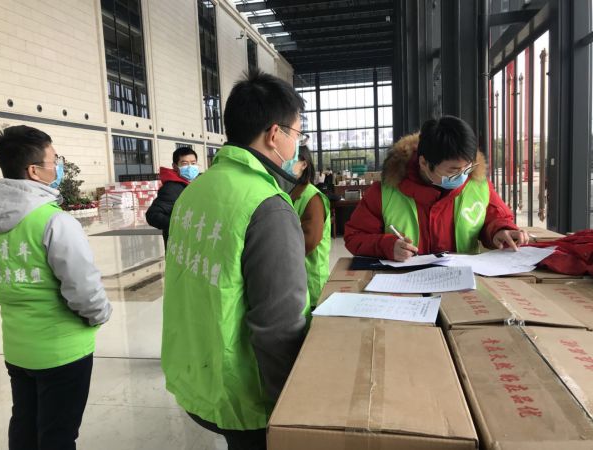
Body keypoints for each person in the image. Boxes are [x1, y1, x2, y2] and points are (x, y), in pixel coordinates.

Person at [161, 70, 309, 450]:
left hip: (198, 373)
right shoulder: (268, 206)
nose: (297, 145)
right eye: (297, 134)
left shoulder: (195, 191)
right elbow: (278, 323)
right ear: (274, 134)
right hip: (245, 393)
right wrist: (291, 407)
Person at [0, 125, 112, 450]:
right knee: (58, 434)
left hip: (18, 347)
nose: (57, 165)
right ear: (34, 170)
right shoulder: (54, 221)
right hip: (63, 351)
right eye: (54, 160)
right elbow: (84, 289)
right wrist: (100, 315)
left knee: (25, 425)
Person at [344, 115, 529, 261]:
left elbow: (497, 218)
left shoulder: (479, 186)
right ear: (424, 163)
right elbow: (355, 236)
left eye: (468, 167)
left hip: (463, 285)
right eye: (453, 170)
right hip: (407, 286)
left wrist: (500, 231)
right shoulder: (385, 192)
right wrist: (387, 246)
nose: (463, 176)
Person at [290, 145, 331, 308]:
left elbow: (309, 241)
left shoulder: (312, 198)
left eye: (291, 159)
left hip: (311, 282)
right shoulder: (290, 192)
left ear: (304, 164)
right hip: (294, 279)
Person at [146, 147, 199, 247]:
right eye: (184, 163)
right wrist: (179, 224)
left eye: (193, 163)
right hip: (179, 245)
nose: (190, 167)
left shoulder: (195, 184)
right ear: (175, 166)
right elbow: (152, 215)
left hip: (193, 242)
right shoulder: (171, 188)